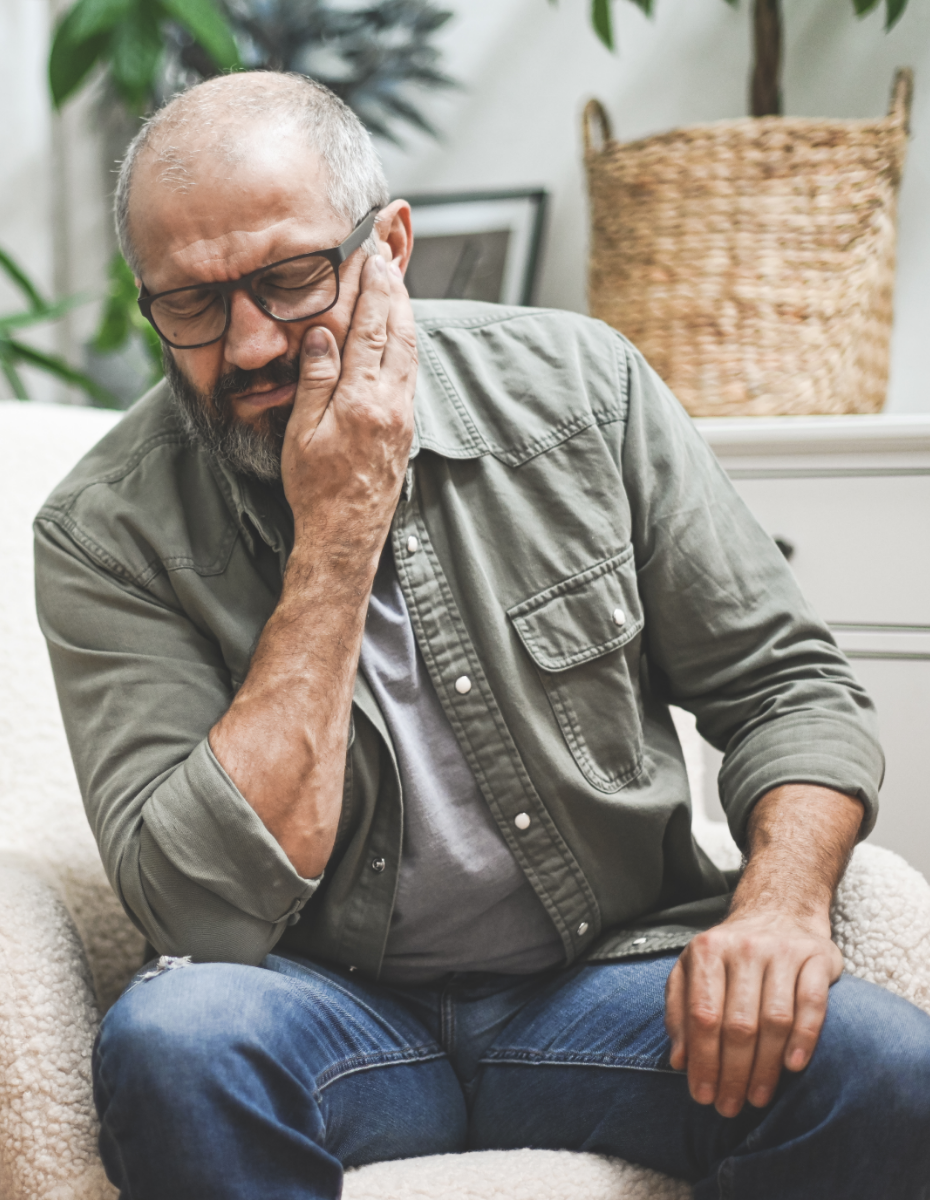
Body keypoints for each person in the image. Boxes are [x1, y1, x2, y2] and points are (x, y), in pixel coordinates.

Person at [35, 71, 930, 1200]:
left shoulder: (579, 392)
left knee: (884, 1066)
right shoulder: (102, 532)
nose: (252, 342)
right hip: (325, 1015)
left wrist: (781, 908)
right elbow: (196, 907)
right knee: (174, 1045)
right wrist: (337, 536)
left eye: (290, 278)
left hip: (609, 985)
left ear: (390, 246)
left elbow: (788, 690)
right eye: (194, 304)